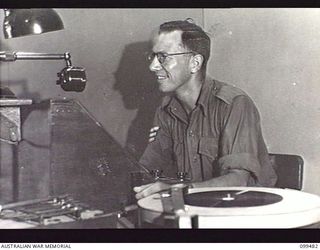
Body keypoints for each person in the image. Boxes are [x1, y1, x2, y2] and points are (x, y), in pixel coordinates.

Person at [134, 19, 277, 200]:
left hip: (247, 210)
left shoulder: (234, 104)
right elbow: (149, 169)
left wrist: (181, 190)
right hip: (197, 208)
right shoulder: (165, 110)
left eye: (163, 57)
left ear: (195, 63)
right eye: (152, 57)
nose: (152, 66)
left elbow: (238, 180)